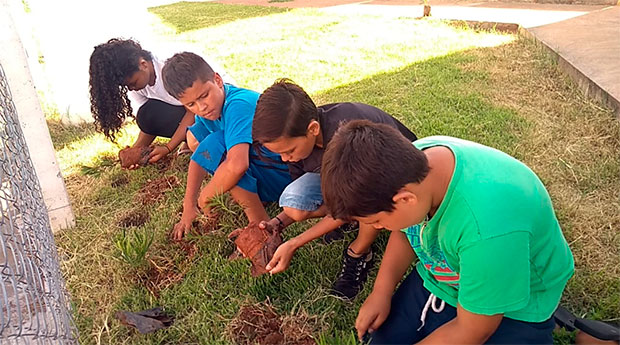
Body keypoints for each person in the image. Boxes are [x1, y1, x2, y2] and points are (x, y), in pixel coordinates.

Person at [321, 120, 575, 344]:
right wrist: (381, 291)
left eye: (377, 221)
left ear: (405, 199)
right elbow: (404, 230)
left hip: (516, 304)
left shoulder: (487, 229)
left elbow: (473, 330)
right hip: (448, 273)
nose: (378, 228)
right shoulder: (415, 163)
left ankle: (583, 333)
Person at [251, 80, 417, 299]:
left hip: (395, 177)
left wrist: (295, 243)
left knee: (364, 205)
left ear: (313, 129)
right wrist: (278, 223)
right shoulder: (299, 141)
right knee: (295, 204)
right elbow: (307, 197)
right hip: (350, 178)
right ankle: (348, 222)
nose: (285, 158)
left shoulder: (346, 135)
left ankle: (360, 252)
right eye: (280, 153)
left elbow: (357, 199)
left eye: (289, 151)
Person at [161, 52, 291, 240]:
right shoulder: (207, 113)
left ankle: (261, 230)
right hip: (271, 175)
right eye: (191, 104)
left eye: (204, 96)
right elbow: (200, 157)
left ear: (218, 80)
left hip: (290, 174)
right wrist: (189, 206)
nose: (201, 107)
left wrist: (206, 196)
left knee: (224, 155)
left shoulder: (238, 104)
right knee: (208, 144)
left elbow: (238, 166)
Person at [88, 38, 233, 166]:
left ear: (143, 64)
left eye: (133, 82)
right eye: (127, 86)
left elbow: (192, 110)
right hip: (196, 109)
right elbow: (152, 120)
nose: (131, 88)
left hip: (219, 105)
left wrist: (168, 147)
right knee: (145, 114)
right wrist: (136, 152)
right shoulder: (138, 83)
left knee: (208, 136)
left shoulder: (170, 70)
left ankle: (195, 140)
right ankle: (191, 139)